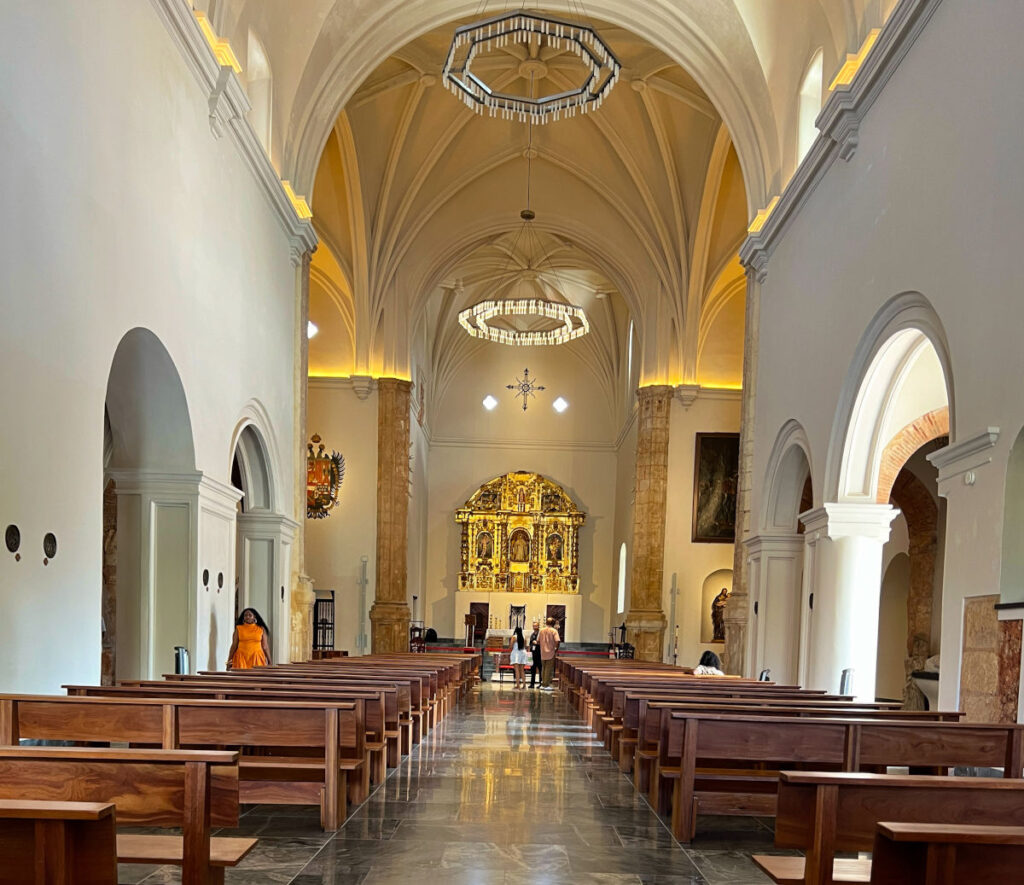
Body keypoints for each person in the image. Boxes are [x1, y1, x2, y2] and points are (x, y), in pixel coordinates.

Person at [538, 617, 560, 690]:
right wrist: (556, 648)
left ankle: (543, 683)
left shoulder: (541, 630)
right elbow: (557, 641)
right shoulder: (554, 631)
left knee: (543, 668)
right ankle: (546, 685)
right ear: (553, 623)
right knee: (548, 669)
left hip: (543, 652)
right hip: (550, 652)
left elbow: (538, 641)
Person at [528, 619, 542, 688]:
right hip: (533, 654)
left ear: (538, 626)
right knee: (532, 669)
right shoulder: (532, 634)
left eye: (536, 626)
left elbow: (542, 642)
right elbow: (530, 644)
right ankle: (532, 684)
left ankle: (541, 683)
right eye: (533, 626)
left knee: (540, 669)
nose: (534, 627)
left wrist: (537, 643)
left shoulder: (541, 634)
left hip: (539, 654)